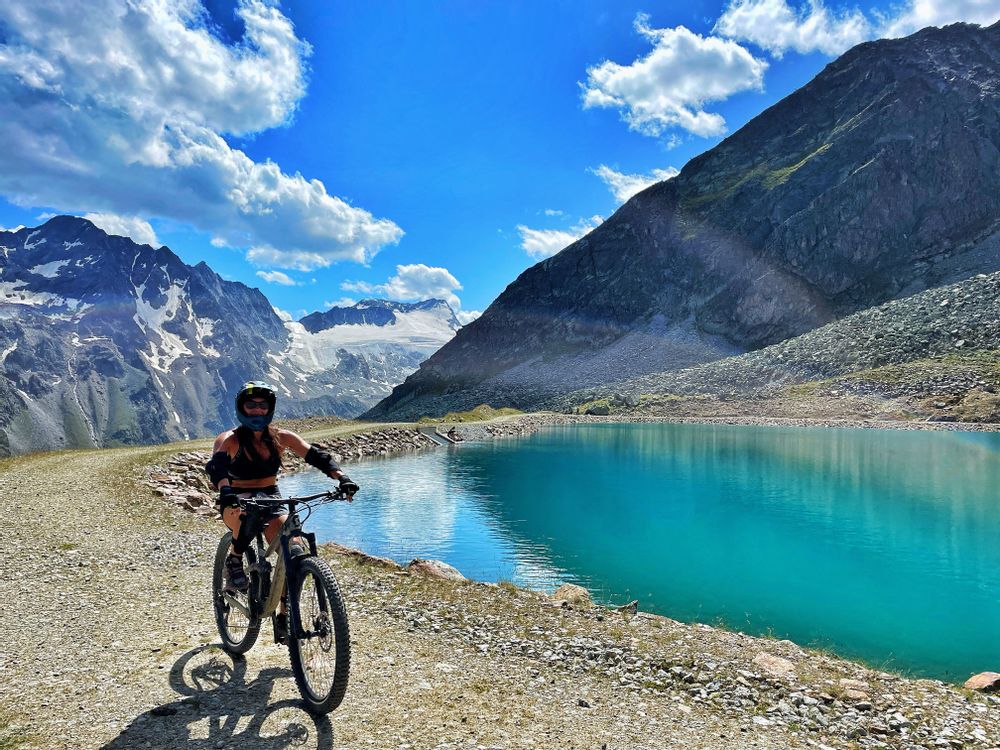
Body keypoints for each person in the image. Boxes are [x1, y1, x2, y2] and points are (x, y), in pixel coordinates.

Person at [204, 381, 359, 642]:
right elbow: (217, 467)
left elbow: (316, 456)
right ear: (241, 408)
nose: (256, 410)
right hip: (236, 497)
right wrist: (226, 491)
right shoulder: (229, 439)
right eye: (250, 405)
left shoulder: (281, 438)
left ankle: (285, 613)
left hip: (270, 496)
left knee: (293, 548)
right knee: (245, 518)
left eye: (262, 406)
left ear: (270, 409)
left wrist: (342, 478)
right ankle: (234, 557)